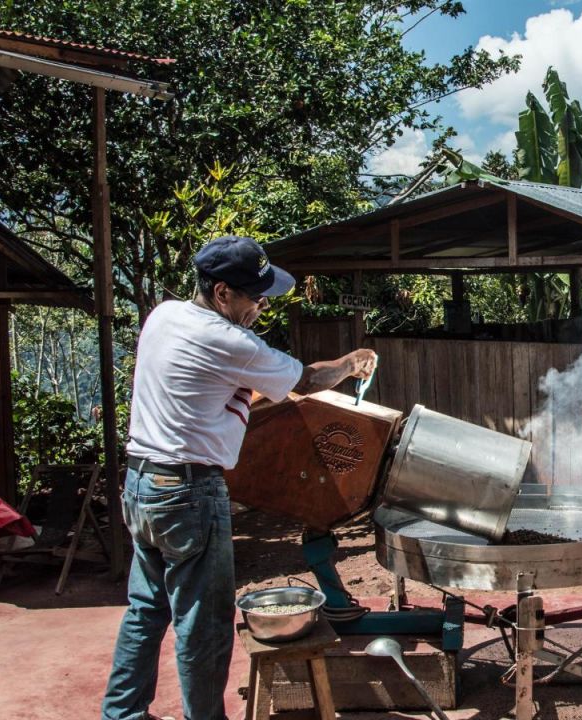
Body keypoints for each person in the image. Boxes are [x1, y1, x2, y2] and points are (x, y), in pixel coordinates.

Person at [102, 235, 376, 720]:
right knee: (203, 624)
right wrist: (352, 363)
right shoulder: (228, 339)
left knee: (146, 609)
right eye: (255, 296)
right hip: (188, 493)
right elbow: (307, 381)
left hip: (142, 484)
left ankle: (122, 714)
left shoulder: (164, 315)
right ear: (223, 292)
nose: (261, 306)